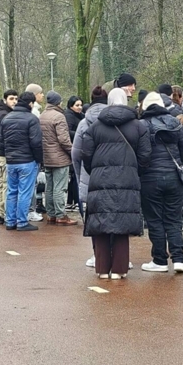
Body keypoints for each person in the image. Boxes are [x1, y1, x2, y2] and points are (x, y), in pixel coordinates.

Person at [79, 88, 151, 279]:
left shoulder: (95, 127)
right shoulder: (138, 126)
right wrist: (135, 170)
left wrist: (94, 169)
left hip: (100, 178)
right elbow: (145, 155)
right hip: (127, 178)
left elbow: (85, 154)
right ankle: (119, 269)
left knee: (100, 223)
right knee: (122, 223)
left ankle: (102, 269)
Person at [138, 91, 183, 273]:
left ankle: (160, 260)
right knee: (173, 218)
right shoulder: (175, 123)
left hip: (150, 178)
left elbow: (140, 153)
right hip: (174, 177)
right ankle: (179, 259)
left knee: (154, 219)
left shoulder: (141, 125)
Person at [72, 87, 108, 267]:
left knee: (93, 217)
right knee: (115, 213)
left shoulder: (84, 123)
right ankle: (119, 257)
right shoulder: (117, 120)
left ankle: (97, 256)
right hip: (115, 176)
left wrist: (80, 177)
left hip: (90, 176)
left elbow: (76, 153)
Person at [0, 90, 43, 231]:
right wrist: (39, 159)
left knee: (12, 191)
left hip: (11, 161)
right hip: (27, 160)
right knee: (25, 192)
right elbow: (36, 143)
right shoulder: (31, 119)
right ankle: (22, 221)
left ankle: (10, 221)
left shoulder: (7, 118)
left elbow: (1, 141)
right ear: (30, 103)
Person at [39, 91, 77, 225]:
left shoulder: (42, 116)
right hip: (60, 158)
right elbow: (63, 139)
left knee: (49, 187)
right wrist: (73, 152)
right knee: (60, 187)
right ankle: (61, 215)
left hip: (47, 157)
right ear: (58, 102)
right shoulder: (59, 116)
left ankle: (51, 214)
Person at [0, 89, 18, 225]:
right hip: (4, 153)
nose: (14, 101)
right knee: (5, 184)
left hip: (1, 152)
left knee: (2, 183)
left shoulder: (3, 113)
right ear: (5, 100)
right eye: (11, 99)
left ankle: (2, 212)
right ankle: (4, 212)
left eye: (16, 99)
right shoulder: (4, 115)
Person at [65, 95, 85, 211]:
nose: (79, 107)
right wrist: (79, 134)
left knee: (74, 176)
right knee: (74, 176)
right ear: (71, 105)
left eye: (80, 105)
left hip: (77, 146)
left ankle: (72, 201)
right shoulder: (69, 116)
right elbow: (67, 131)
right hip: (73, 147)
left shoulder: (80, 116)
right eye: (77, 105)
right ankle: (73, 201)